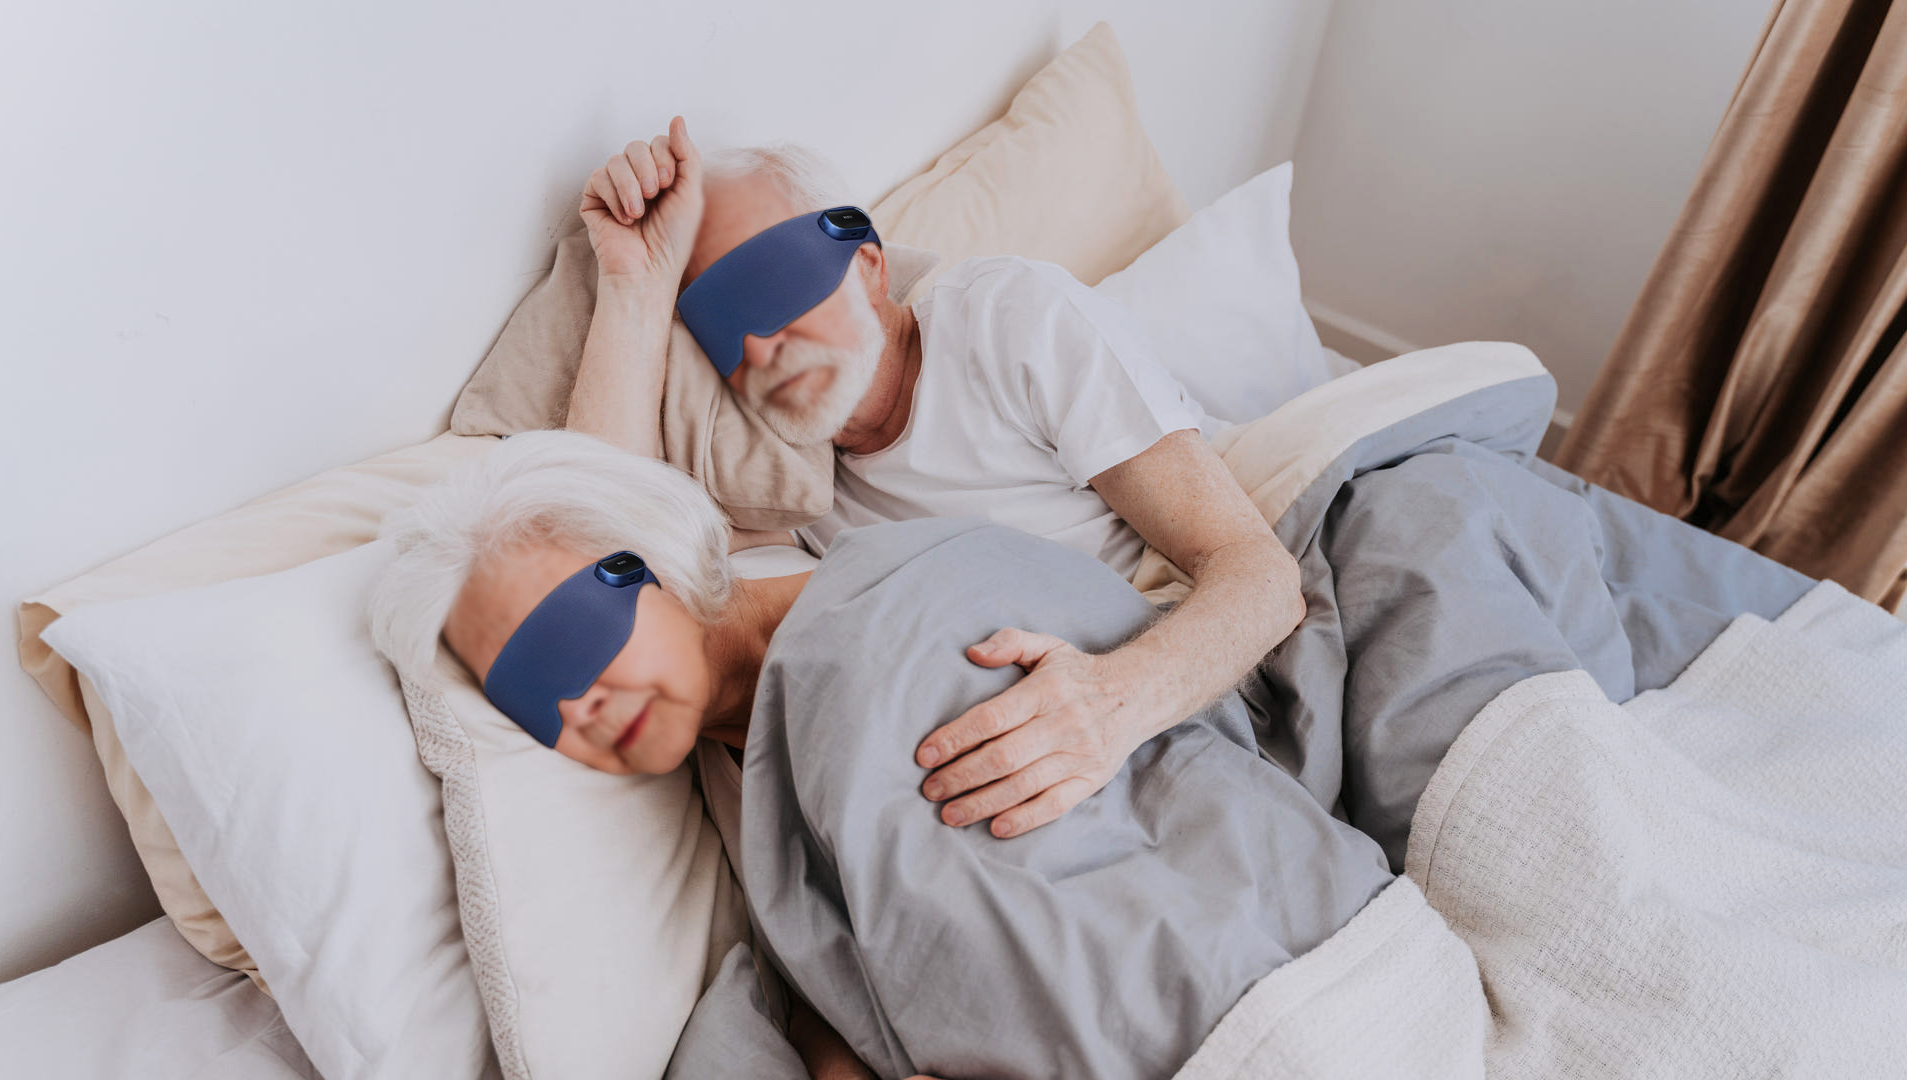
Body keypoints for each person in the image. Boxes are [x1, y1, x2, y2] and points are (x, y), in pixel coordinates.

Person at [368, 430, 1390, 1080]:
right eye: (525, 696)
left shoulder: (894, 612)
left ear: (653, 558)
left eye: (566, 642)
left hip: (1306, 1003)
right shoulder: (732, 768)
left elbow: (1060, 935)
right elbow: (853, 963)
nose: (574, 704)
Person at [564, 115, 1307, 840]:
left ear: (868, 266)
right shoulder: (782, 490)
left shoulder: (1009, 324)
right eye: (725, 318)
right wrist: (635, 285)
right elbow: (595, 561)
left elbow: (1259, 574)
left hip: (1212, 664)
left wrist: (1112, 703)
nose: (768, 341)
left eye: (781, 283)